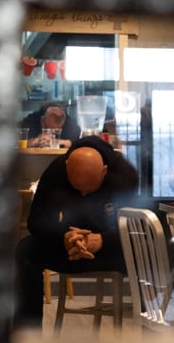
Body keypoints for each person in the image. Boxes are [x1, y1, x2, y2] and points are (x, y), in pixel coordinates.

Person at [14, 136, 141, 329]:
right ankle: (28, 334)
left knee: (145, 251)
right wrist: (63, 237)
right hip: (68, 245)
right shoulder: (56, 170)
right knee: (25, 251)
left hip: (112, 247)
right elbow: (36, 221)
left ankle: (149, 332)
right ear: (66, 166)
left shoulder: (124, 174)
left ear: (104, 171)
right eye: (77, 189)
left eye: (89, 190)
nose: (83, 195)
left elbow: (137, 226)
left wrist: (102, 239)